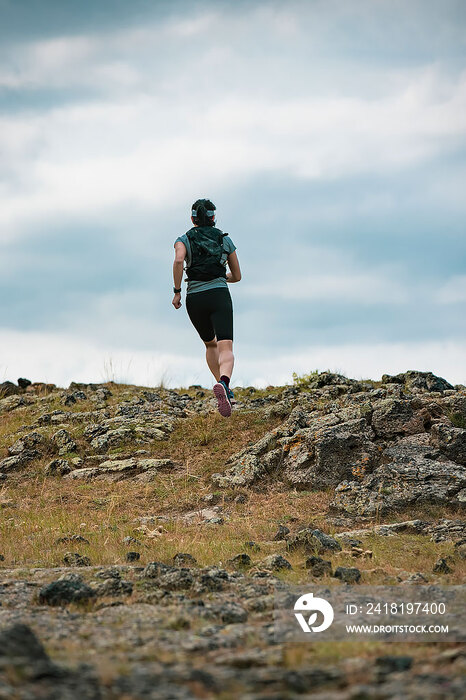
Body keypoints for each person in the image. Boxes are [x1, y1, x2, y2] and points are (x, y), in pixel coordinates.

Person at [172, 198, 241, 417]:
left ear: (192, 218)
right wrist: (221, 278)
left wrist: (176, 291)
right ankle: (224, 383)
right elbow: (237, 276)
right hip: (219, 295)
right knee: (225, 347)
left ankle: (224, 390)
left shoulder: (183, 240)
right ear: (213, 217)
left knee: (210, 345)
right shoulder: (225, 240)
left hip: (194, 298)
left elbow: (178, 261)